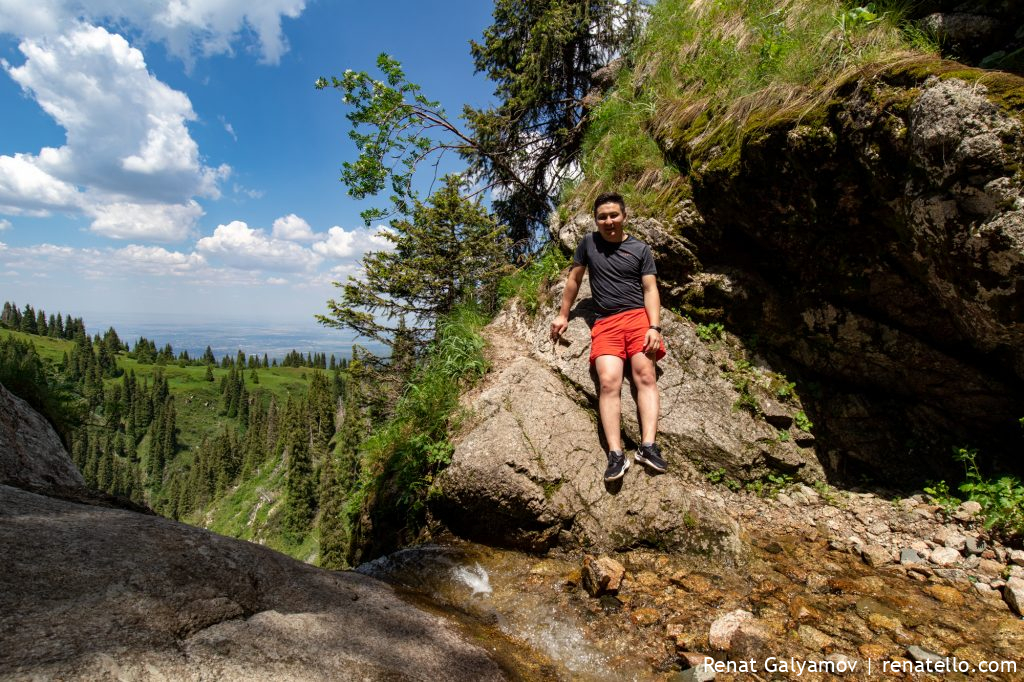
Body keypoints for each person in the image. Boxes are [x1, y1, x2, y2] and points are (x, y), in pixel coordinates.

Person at [550, 192, 667, 482]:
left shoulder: (640, 249)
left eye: (614, 215)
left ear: (624, 216)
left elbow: (651, 289)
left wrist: (654, 327)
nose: (608, 221)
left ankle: (648, 447)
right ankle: (616, 455)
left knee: (645, 377)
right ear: (596, 219)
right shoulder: (588, 244)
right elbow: (574, 280)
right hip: (605, 323)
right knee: (608, 381)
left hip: (638, 319)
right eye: (602, 216)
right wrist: (564, 314)